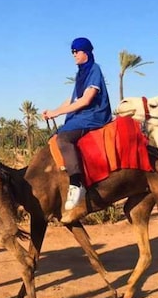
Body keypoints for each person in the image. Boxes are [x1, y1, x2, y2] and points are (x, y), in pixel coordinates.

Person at [43, 37, 113, 210]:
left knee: (64, 139)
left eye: (76, 51)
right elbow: (73, 99)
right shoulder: (81, 73)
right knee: (56, 137)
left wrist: (58, 112)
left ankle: (76, 183)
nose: (73, 55)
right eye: (72, 52)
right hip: (83, 115)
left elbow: (86, 100)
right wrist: (53, 111)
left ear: (86, 52)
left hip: (94, 115)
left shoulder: (94, 70)